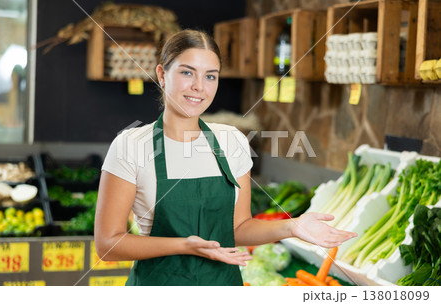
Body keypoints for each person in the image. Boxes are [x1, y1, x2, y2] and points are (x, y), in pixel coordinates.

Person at [94, 29, 357, 286]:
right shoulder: (131, 145)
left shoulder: (232, 141)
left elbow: (239, 228)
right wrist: (185, 245)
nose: (199, 87)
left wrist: (292, 227)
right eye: (187, 72)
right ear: (162, 75)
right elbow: (108, 245)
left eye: (210, 76)